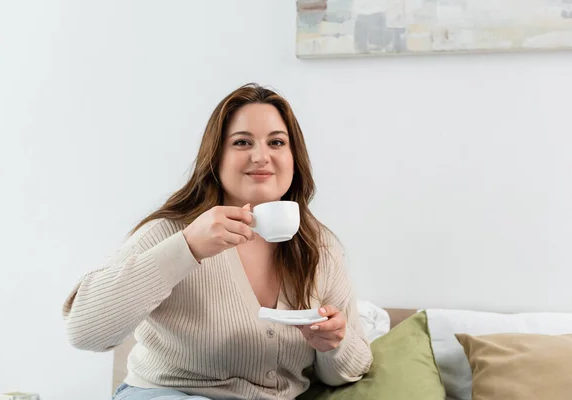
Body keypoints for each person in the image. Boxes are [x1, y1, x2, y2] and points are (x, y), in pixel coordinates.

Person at [62, 83, 372, 400]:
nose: (261, 156)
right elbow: (84, 331)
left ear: (294, 158)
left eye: (276, 142)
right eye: (242, 142)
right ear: (216, 157)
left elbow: (351, 369)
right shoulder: (171, 231)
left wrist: (332, 343)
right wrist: (188, 248)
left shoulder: (318, 247)